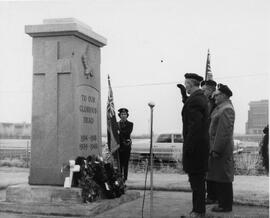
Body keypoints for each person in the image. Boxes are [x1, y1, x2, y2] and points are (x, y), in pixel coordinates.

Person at [180, 73, 209, 217]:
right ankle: (197, 211)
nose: (185, 87)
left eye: (186, 84)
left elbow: (194, 127)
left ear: (191, 84)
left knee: (196, 183)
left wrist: (188, 148)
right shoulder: (200, 98)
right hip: (201, 147)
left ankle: (198, 212)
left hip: (195, 148)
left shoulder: (195, 100)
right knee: (198, 182)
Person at [207, 83, 235, 212]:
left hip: (221, 149)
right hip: (217, 148)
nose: (214, 97)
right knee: (219, 175)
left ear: (224, 95)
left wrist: (216, 149)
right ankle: (222, 202)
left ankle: (225, 206)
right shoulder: (220, 108)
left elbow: (223, 133)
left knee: (224, 177)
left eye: (217, 95)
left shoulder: (227, 109)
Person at [201, 80, 218, 204]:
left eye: (205, 89)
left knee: (212, 169)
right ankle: (211, 195)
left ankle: (212, 196)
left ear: (212, 90)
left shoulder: (215, 103)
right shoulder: (206, 101)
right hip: (206, 138)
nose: (203, 91)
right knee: (207, 169)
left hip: (211, 140)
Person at [118, 108, 133, 182]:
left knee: (125, 163)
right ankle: (120, 177)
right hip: (119, 146)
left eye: (125, 114)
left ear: (127, 115)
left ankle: (125, 178)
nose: (123, 115)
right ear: (119, 115)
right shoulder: (117, 124)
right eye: (122, 114)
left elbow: (127, 133)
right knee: (119, 164)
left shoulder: (130, 124)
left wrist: (119, 132)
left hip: (126, 146)